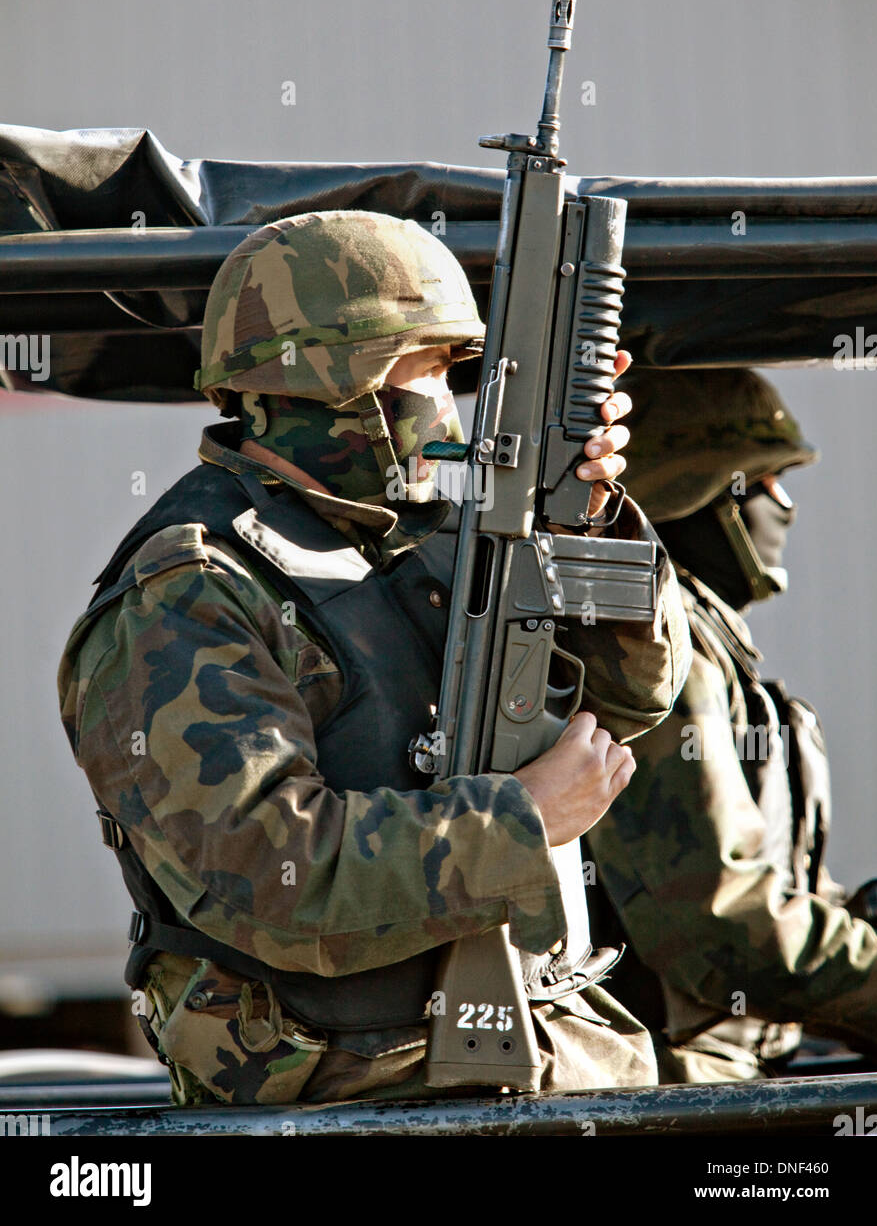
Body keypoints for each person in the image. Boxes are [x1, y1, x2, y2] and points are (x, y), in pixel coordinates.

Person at [58, 211, 690, 1105]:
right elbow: (268, 880)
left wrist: (584, 523)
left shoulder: (442, 538)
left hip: (559, 1059)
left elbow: (629, 705)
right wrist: (520, 823)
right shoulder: (190, 592)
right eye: (422, 369)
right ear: (324, 379)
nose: (445, 404)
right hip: (353, 1092)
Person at [586, 366, 877, 1083]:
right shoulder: (659, 648)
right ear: (700, 490)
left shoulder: (700, 636)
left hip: (738, 1061)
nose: (784, 506)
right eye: (767, 480)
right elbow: (718, 922)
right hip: (678, 1078)